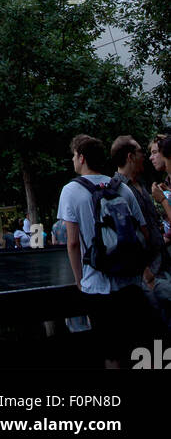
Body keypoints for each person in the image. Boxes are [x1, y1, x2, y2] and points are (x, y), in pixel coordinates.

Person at [57, 133, 151, 368]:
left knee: (111, 354)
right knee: (138, 353)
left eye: (73, 156)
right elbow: (144, 233)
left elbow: (73, 243)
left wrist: (79, 279)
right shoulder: (122, 188)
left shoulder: (71, 191)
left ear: (81, 157)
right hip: (130, 283)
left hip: (98, 285)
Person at [110, 134, 171, 329]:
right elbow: (125, 236)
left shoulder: (143, 185)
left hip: (163, 267)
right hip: (148, 276)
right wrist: (147, 275)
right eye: (140, 151)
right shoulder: (118, 189)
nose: (144, 155)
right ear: (130, 156)